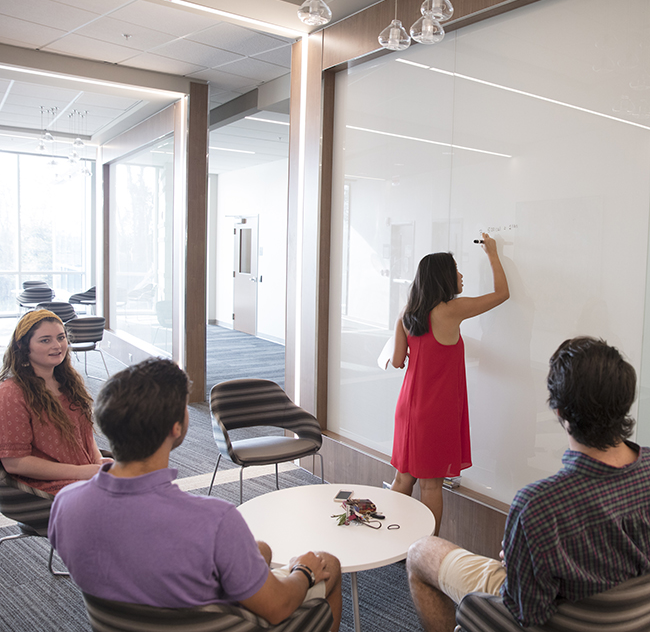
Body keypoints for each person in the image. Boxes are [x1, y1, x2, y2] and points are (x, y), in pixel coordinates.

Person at [49, 358, 342, 629]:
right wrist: (303, 570)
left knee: (260, 549)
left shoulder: (66, 503)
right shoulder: (213, 520)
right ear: (176, 428)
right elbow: (278, 608)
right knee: (327, 562)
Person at [406, 337, 650, 631]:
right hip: (628, 616)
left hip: (545, 612)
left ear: (559, 413)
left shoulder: (539, 505)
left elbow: (525, 614)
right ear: (624, 404)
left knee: (420, 553)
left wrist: (517, 564)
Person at [390, 233, 509, 534]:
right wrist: (493, 254)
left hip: (408, 407)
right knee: (431, 487)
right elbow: (501, 294)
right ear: (443, 277)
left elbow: (397, 360)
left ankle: (391, 539)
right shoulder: (450, 311)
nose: (461, 274)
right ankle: (426, 550)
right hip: (435, 411)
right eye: (456, 269)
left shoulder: (406, 314)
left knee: (403, 479)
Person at [0, 309, 105, 495]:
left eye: (61, 337)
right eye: (45, 340)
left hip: (82, 473)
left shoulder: (69, 382)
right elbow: (14, 463)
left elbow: (85, 434)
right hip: (45, 485)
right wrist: (83, 472)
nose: (57, 346)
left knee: (143, 483)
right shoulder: (11, 392)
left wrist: (98, 463)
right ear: (24, 346)